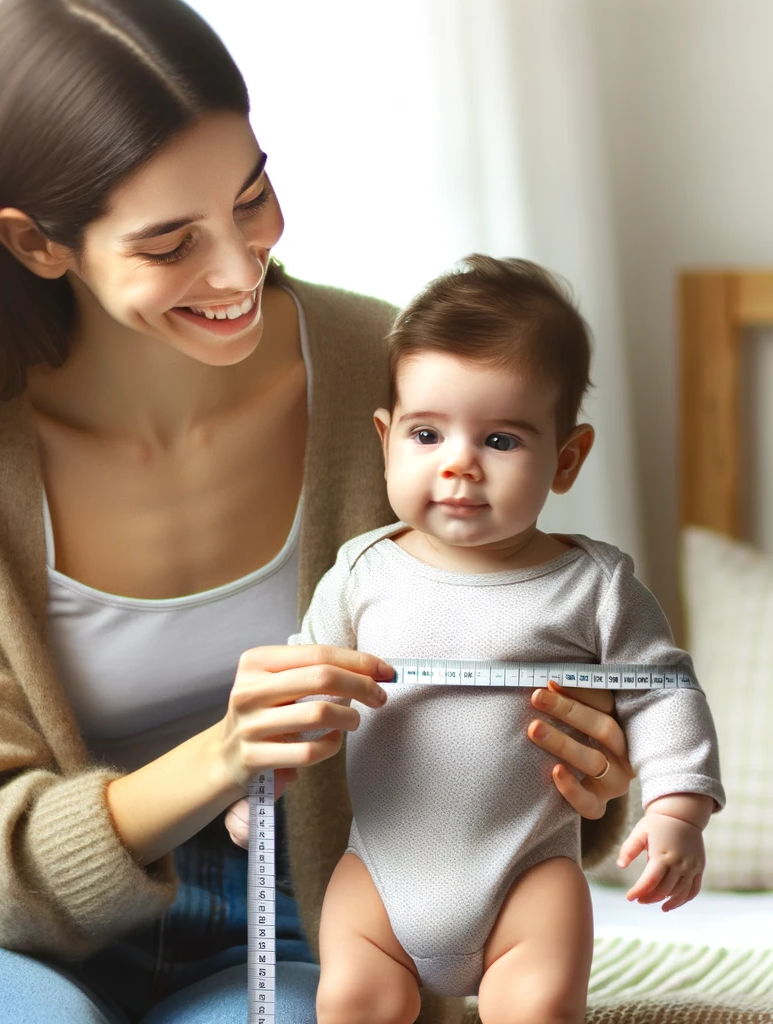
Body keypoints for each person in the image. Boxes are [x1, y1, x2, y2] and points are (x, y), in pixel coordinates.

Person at [0, 4, 634, 1024]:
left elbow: (521, 635)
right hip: (7, 937)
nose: (240, 270)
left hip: (306, 910)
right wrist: (222, 753)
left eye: (252, 197)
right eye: (168, 244)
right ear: (35, 243)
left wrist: (586, 770)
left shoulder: (387, 377)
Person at [294, 255, 725, 1024]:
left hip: (530, 873)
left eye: (499, 439)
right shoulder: (360, 574)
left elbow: (664, 693)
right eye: (427, 433)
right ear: (385, 439)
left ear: (566, 458)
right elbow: (302, 688)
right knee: (355, 999)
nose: (459, 463)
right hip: (380, 876)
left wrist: (675, 810)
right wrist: (253, 787)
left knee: (536, 1006)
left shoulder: (595, 586)